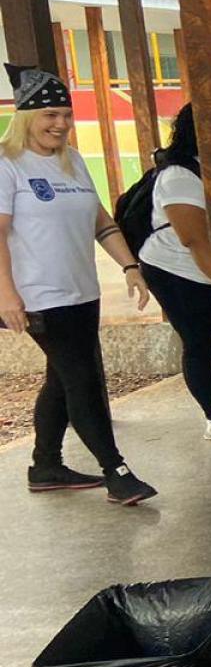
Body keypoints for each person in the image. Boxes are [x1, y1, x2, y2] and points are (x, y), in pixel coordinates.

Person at [0, 63, 156, 503]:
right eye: (50, 115)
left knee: (62, 377)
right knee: (82, 379)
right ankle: (117, 471)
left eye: (66, 114)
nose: (61, 123)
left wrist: (130, 267)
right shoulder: (7, 164)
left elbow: (101, 221)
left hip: (81, 292)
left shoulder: (72, 162)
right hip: (38, 296)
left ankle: (45, 464)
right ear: (26, 117)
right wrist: (5, 292)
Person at [136, 104, 211, 442]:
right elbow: (194, 239)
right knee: (198, 341)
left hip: (207, 269)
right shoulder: (178, 174)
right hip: (174, 270)